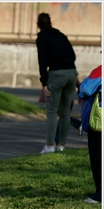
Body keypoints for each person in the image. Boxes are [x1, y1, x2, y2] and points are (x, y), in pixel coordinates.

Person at [35, 12, 78, 154]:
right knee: (65, 112)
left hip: (56, 75)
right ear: (50, 22)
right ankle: (61, 145)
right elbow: (72, 55)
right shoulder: (61, 36)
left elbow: (42, 61)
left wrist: (44, 83)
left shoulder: (42, 38)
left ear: (38, 25)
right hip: (71, 73)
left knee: (52, 111)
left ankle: (49, 145)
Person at [78, 64, 101, 204]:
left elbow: (84, 89)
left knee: (98, 156)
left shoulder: (100, 70)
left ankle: (100, 193)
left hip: (99, 122)